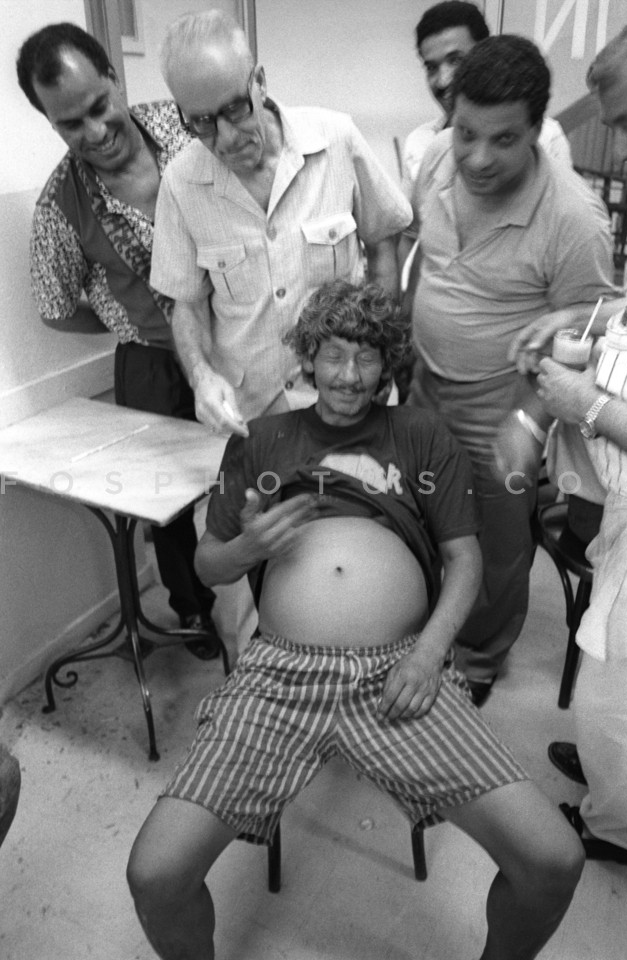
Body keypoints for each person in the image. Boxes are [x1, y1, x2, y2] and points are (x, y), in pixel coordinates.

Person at [127, 279, 585, 960]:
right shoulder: (264, 439)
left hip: (400, 671)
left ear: (387, 363)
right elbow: (208, 565)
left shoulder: (420, 434)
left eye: (367, 356)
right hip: (277, 677)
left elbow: (465, 560)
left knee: (553, 860)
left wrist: (429, 655)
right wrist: (249, 547)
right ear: (307, 358)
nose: (349, 374)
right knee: (155, 874)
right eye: (333, 354)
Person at [401, 34, 618, 704]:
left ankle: (478, 658)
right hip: (424, 383)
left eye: (503, 140)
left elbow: (594, 332)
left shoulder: (574, 218)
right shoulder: (437, 158)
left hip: (505, 403)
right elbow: (424, 256)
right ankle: (426, 622)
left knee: (495, 541)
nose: (476, 157)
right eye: (466, 132)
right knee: (420, 511)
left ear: (536, 131)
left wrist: (532, 419)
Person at [16, 23, 219, 659]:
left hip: (243, 340)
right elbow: (55, 309)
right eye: (71, 123)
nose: (95, 131)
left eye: (99, 106)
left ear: (114, 77)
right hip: (152, 366)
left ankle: (283, 600)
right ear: (51, 124)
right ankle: (193, 610)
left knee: (260, 471)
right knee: (168, 503)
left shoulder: (187, 128)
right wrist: (123, 317)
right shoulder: (58, 206)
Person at [150, 8, 412, 436]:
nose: (226, 137)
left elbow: (383, 243)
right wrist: (202, 378)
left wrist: (375, 356)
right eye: (202, 122)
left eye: (235, 109)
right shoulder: (181, 183)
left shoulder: (336, 140)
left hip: (350, 400)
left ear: (260, 82)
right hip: (253, 413)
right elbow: (189, 305)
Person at [512, 12, 627, 864]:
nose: (623, 152)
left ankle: (620, 827)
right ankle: (613, 781)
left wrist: (586, 404)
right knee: (610, 681)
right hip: (624, 513)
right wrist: (592, 334)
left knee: (619, 694)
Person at [401, 1, 572, 191]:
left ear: (485, 54)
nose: (443, 80)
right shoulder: (420, 142)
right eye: (432, 68)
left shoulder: (545, 137)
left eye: (456, 60)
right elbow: (410, 210)